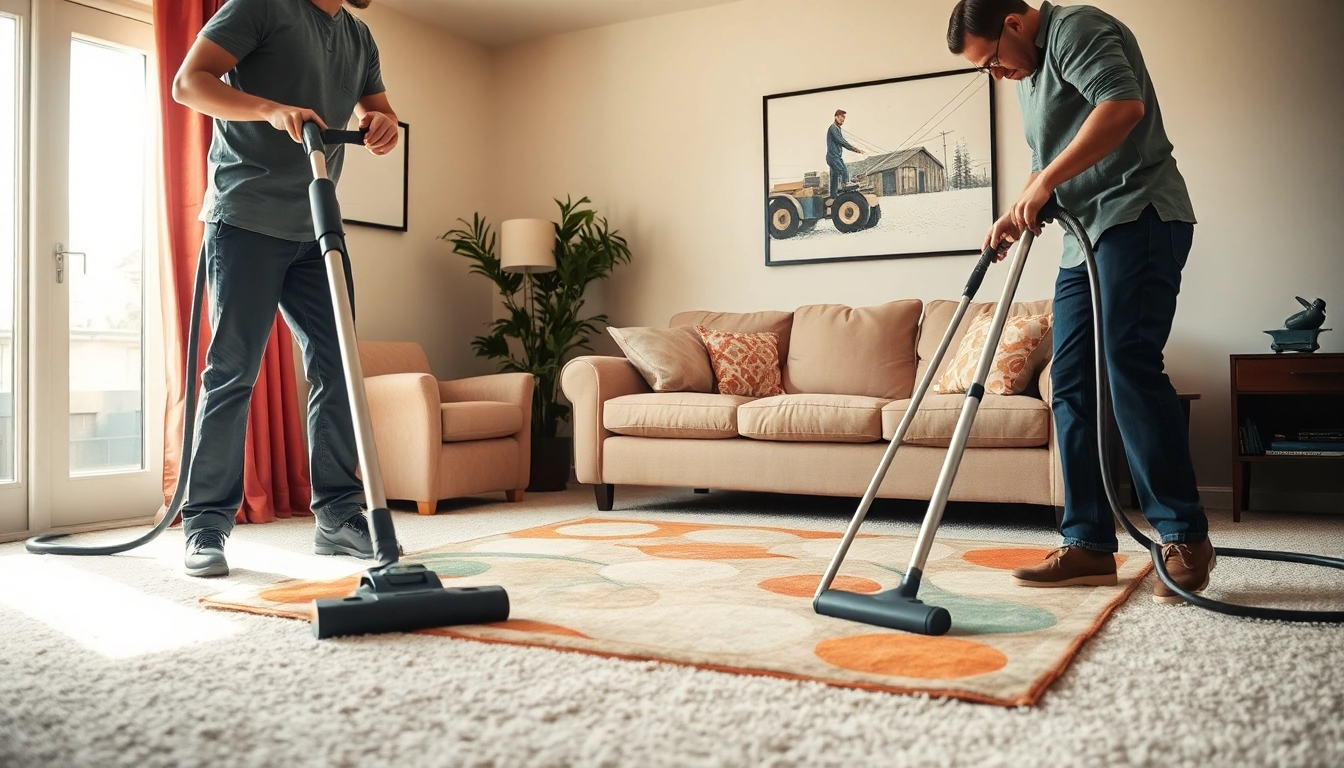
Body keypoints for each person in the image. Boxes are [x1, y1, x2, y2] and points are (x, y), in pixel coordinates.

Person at [947, 0, 1213, 604]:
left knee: (1127, 364)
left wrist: (1042, 185)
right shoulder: (1028, 72)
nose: (996, 75)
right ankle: (1090, 543)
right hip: (1083, 240)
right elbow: (1051, 164)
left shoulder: (1076, 28)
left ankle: (1184, 536)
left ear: (1014, 23)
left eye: (992, 62)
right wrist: (1022, 205)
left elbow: (1122, 107)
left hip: (1137, 216)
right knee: (1069, 381)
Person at [171, 0, 399, 577]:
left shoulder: (358, 36)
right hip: (245, 218)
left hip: (317, 227)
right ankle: (205, 524)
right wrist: (268, 109)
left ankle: (339, 517)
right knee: (233, 371)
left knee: (338, 364)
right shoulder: (260, 6)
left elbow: (382, 113)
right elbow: (188, 83)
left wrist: (382, 126)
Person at [826, 109, 865, 199]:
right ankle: (845, 184)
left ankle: (833, 196)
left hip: (834, 157)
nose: (842, 120)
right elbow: (841, 141)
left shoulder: (837, 129)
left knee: (834, 177)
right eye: (841, 117)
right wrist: (854, 149)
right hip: (833, 157)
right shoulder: (833, 128)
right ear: (836, 117)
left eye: (844, 118)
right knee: (844, 171)